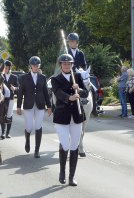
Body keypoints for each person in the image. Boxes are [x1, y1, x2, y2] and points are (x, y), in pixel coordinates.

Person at [51, 54, 88, 186]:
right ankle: (62, 172)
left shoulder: (77, 77)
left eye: (69, 64)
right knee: (65, 145)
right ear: (60, 65)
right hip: (62, 116)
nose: (67, 65)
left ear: (72, 65)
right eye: (64, 63)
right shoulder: (55, 79)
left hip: (77, 116)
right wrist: (69, 97)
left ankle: (71, 177)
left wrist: (80, 89)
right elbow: (58, 93)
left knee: (74, 146)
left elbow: (86, 93)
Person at [17, 56, 51, 158]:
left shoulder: (43, 77)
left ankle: (37, 150)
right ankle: (27, 140)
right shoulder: (24, 78)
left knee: (38, 126)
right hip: (28, 105)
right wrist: (18, 106)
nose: (36, 67)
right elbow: (20, 93)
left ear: (39, 66)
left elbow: (46, 92)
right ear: (31, 66)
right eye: (34, 65)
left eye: (37, 65)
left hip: (40, 105)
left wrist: (49, 106)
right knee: (29, 127)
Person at [0, 60, 19, 139]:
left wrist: (15, 88)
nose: (5, 69)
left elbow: (18, 87)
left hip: (10, 99)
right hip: (2, 98)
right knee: (2, 115)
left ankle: (8, 133)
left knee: (9, 115)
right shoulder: (1, 76)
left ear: (10, 68)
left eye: (7, 67)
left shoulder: (14, 77)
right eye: (4, 68)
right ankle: (3, 133)